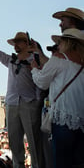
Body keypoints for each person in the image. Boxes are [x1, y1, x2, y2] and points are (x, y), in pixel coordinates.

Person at [0, 22, 44, 168]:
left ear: (27, 44)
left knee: (34, 143)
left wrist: (37, 101)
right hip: (12, 104)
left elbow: (40, 83)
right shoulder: (11, 60)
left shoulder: (35, 60)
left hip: (29, 103)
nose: (15, 45)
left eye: (19, 42)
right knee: (15, 143)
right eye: (14, 43)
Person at [31, 28, 84, 168]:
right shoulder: (81, 62)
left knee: (61, 162)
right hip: (81, 120)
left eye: (59, 42)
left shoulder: (60, 58)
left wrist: (34, 69)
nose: (58, 45)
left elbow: (42, 82)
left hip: (63, 119)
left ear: (67, 42)